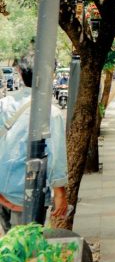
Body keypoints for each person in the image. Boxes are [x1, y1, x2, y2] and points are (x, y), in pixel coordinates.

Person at [0, 60, 68, 232]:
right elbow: (56, 157)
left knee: (9, 243)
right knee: (25, 247)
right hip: (29, 194)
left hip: (3, 190)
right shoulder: (51, 113)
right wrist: (60, 194)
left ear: (20, 73)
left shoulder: (4, 104)